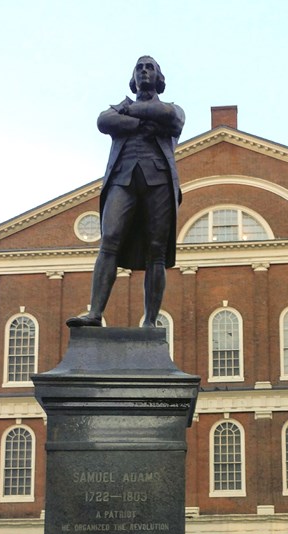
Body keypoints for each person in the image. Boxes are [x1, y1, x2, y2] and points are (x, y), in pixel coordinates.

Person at [67, 55, 185, 330]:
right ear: (133, 78)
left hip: (158, 181)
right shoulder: (118, 111)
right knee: (109, 239)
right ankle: (95, 313)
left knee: (156, 250)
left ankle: (151, 322)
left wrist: (128, 113)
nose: (145, 71)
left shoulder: (170, 108)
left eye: (150, 68)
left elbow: (170, 118)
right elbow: (104, 121)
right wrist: (140, 120)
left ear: (159, 78)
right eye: (140, 68)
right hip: (123, 179)